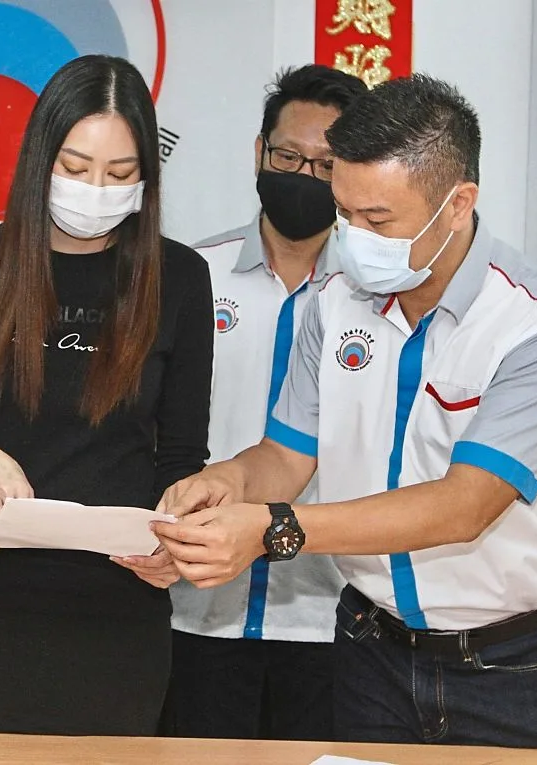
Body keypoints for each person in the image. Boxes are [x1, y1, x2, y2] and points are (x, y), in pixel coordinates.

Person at [155, 74, 537, 749]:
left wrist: (273, 527)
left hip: (515, 665)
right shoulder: (335, 299)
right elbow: (286, 454)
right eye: (344, 213)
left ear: (458, 204)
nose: (354, 237)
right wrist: (229, 484)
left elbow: (464, 506)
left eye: (378, 220)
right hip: (370, 651)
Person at [0, 54, 213, 736]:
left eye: (120, 175)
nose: (96, 190)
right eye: (75, 167)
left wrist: (175, 542)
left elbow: (183, 457)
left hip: (118, 608)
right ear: (40, 160)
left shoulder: (179, 278)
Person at [166, 64, 366, 742]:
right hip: (194, 607)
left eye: (326, 165)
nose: (304, 177)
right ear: (259, 152)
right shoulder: (191, 275)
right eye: (288, 158)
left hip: (331, 614)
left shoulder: (373, 298)